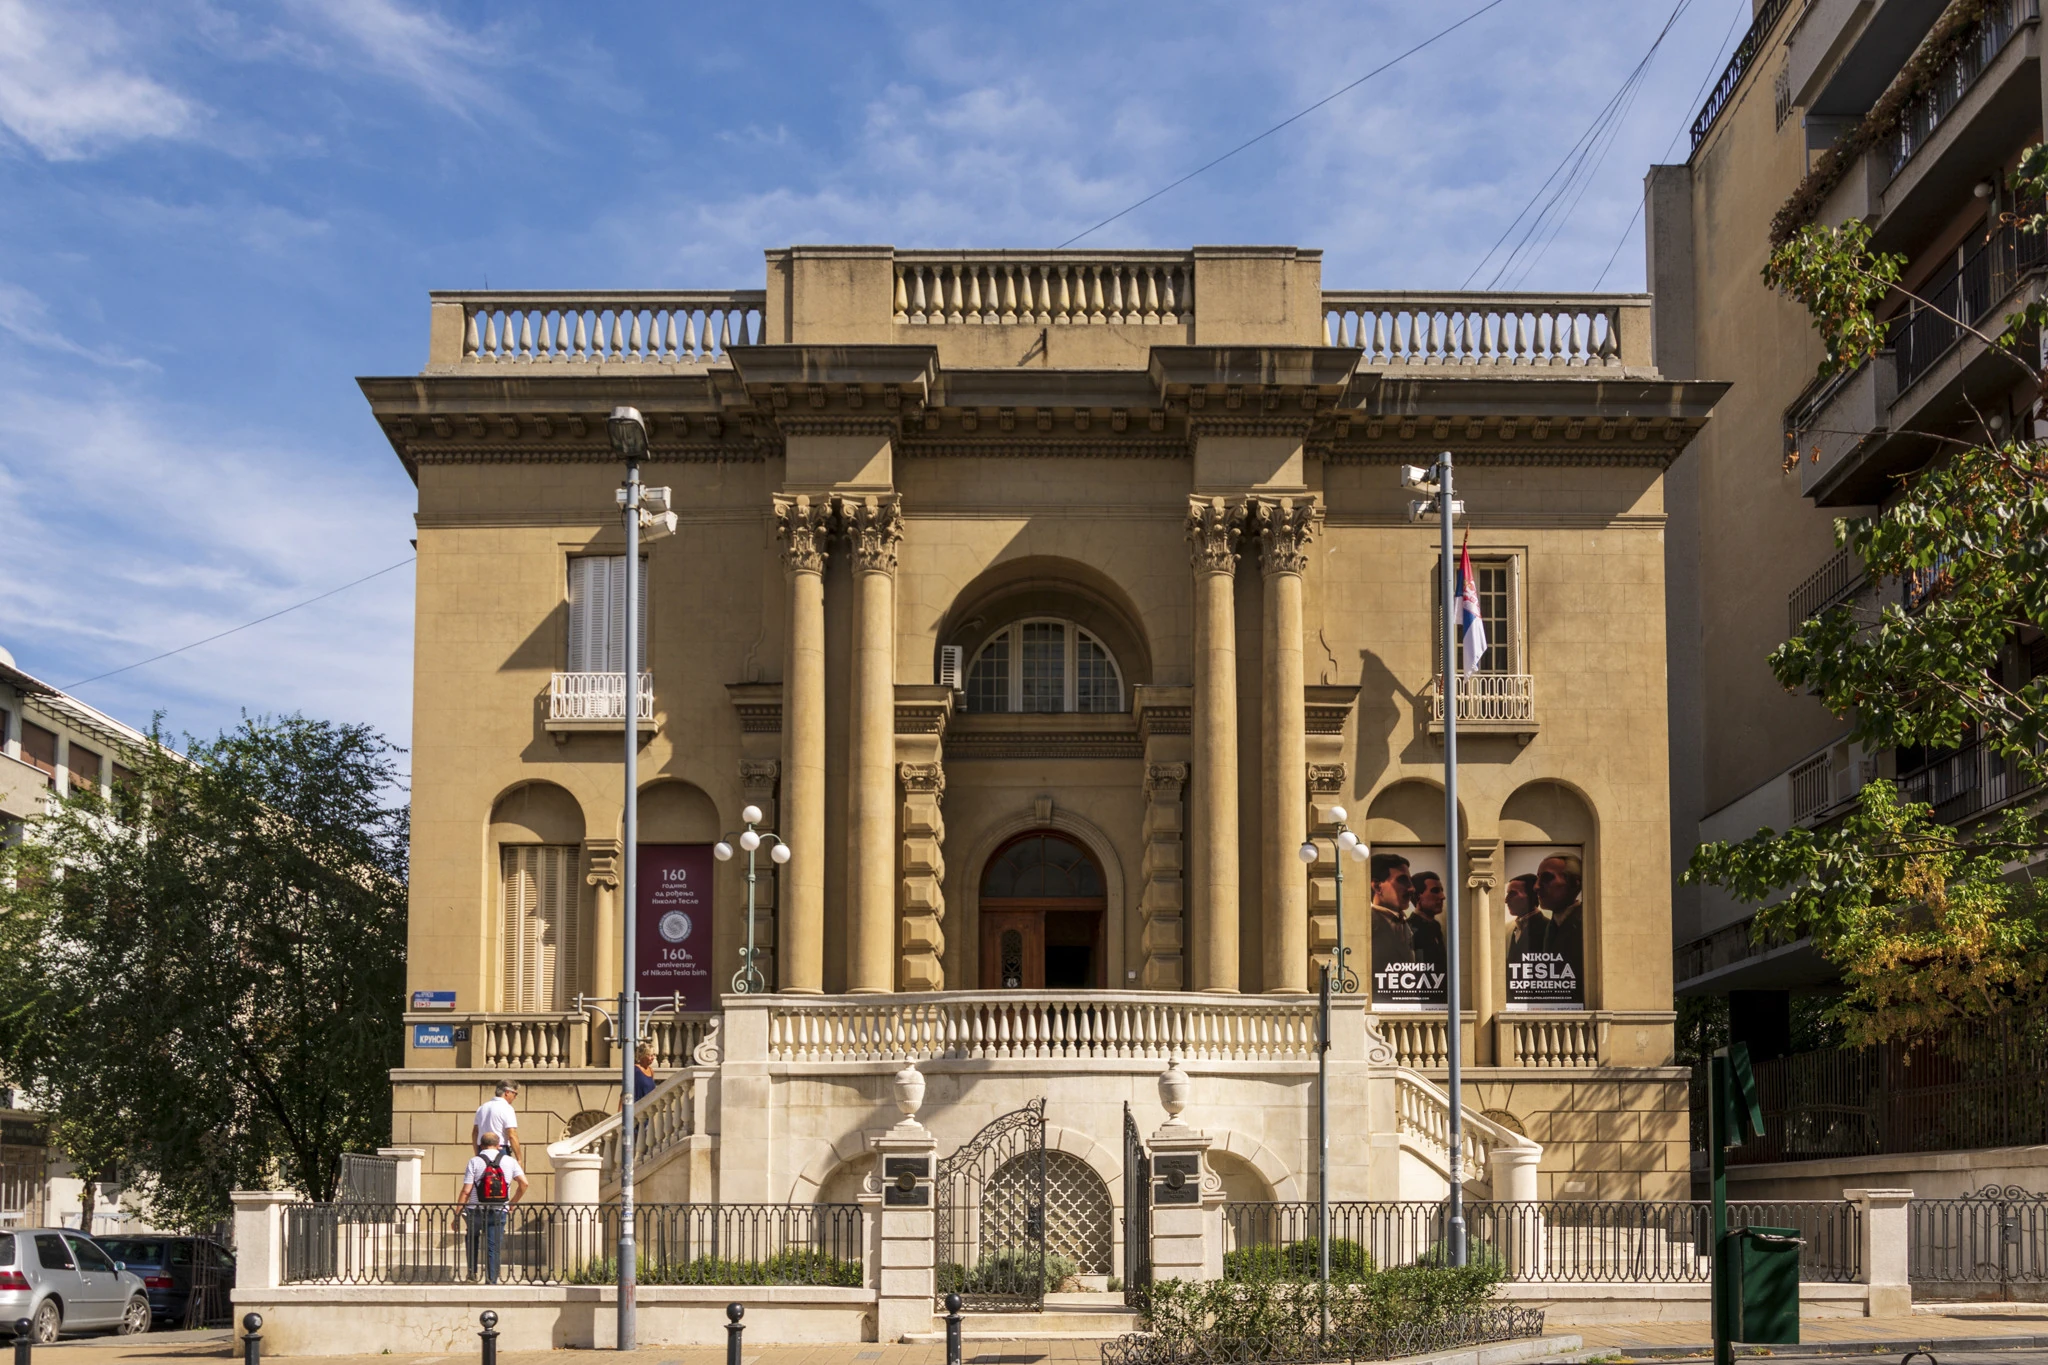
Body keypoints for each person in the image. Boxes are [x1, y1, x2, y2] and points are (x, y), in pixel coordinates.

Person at [457, 1131, 527, 1284]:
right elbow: (524, 1184)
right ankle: (492, 1280)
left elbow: (466, 1191)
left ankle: (472, 1274)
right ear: (499, 1145)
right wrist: (512, 1203)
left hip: (475, 1209)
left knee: (472, 1240)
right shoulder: (509, 1161)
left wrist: (457, 1214)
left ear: (480, 1145)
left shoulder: (474, 1161)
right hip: (498, 1210)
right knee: (493, 1246)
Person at [1368, 852, 1414, 991]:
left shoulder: (1406, 925)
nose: (1412, 888)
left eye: (1410, 881)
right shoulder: (1368, 923)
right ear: (1377, 886)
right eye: (1402, 880)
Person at [1535, 853, 1585, 978]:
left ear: (1575, 883)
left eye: (1547, 878)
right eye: (1538, 878)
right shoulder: (1550, 926)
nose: (1536, 886)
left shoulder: (1586, 923)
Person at [1407, 871, 1448, 977]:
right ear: (1418, 896)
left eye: (1441, 891)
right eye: (1435, 891)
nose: (1442, 896)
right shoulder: (1408, 929)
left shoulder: (1436, 926)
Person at [472, 1079, 522, 1163]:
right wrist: (519, 1159)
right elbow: (512, 1134)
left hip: (482, 1150)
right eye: (515, 1094)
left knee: (485, 1176)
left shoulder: (482, 1108)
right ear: (507, 1092)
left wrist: (477, 1153)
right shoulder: (507, 1108)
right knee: (502, 1175)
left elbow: (475, 1133)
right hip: (500, 1149)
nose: (515, 1097)